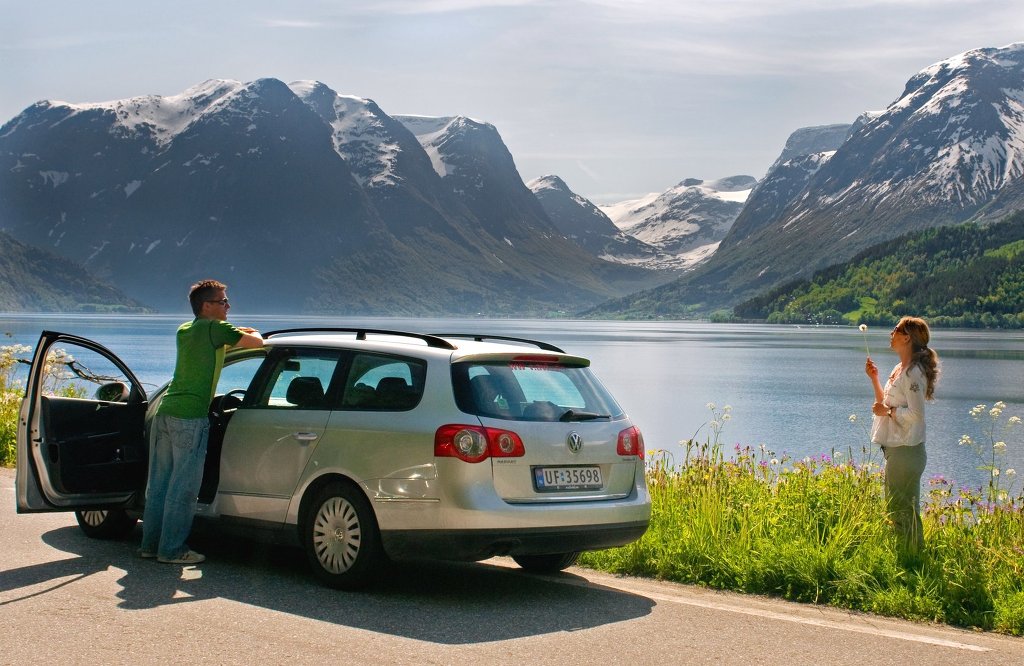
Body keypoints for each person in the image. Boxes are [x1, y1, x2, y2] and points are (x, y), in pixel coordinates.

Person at [139, 280, 264, 564]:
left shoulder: (185, 330)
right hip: (190, 417)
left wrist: (234, 330)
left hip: (166, 413)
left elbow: (222, 335)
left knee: (158, 485)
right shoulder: (216, 330)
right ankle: (172, 550)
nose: (228, 305)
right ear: (206, 306)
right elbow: (257, 342)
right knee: (183, 489)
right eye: (223, 301)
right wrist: (248, 331)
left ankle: (150, 544)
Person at [864, 316, 939, 555]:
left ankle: (913, 558)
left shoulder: (913, 373)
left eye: (896, 329)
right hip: (898, 450)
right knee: (896, 507)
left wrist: (887, 411)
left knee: (903, 509)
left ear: (907, 338)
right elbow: (883, 405)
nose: (891, 333)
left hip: (908, 450)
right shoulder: (900, 370)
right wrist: (875, 378)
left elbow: (916, 414)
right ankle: (907, 557)